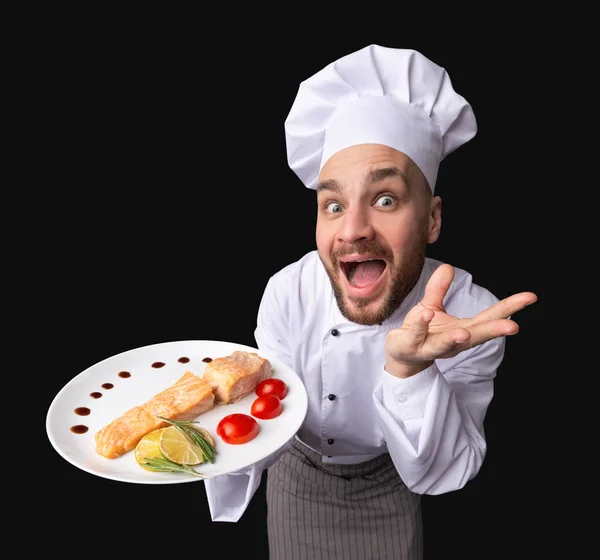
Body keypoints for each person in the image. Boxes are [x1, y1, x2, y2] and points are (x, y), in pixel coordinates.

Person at [203, 44, 538, 559]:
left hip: (390, 489)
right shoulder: (286, 292)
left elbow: (444, 472)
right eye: (333, 205)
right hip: (296, 480)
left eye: (386, 199)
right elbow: (265, 407)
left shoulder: (471, 316)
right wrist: (199, 442)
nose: (353, 229)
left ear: (432, 219)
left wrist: (408, 369)